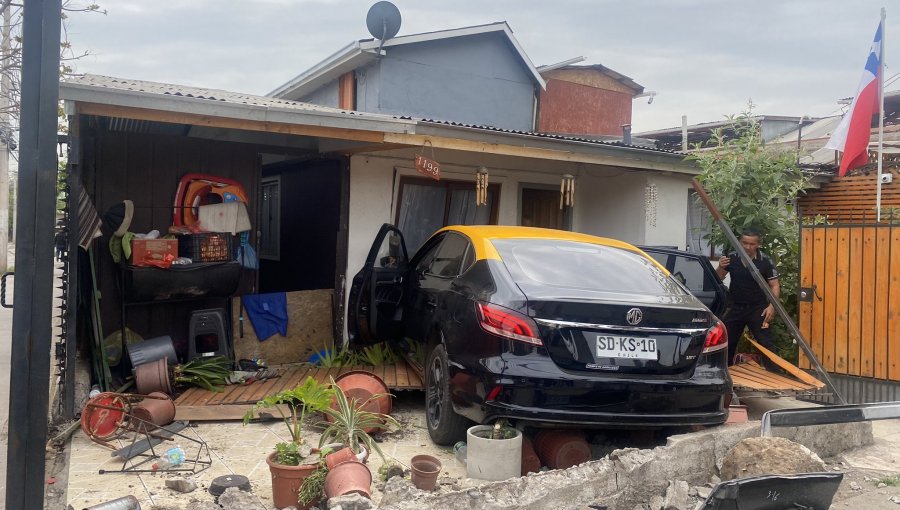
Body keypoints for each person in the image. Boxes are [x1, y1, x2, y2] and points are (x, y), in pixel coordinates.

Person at [715, 230, 781, 367]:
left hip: (758, 308)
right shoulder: (731, 258)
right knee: (727, 343)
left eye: (752, 244)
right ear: (740, 242)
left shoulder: (765, 261)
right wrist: (720, 267)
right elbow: (718, 279)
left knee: (766, 343)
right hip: (736, 307)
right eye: (744, 243)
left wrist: (772, 306)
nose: (747, 247)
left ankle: (775, 375)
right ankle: (726, 374)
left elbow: (774, 286)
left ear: (758, 245)